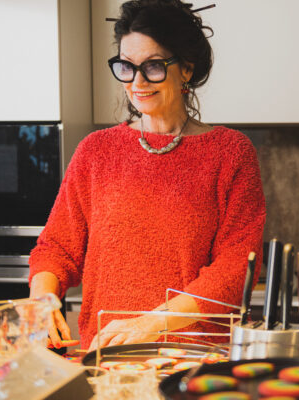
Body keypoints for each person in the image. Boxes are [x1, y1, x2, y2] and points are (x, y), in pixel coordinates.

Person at [29, 0, 265, 350]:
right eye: (126, 66)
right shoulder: (96, 151)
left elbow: (235, 269)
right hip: (106, 356)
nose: (136, 82)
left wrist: (152, 323)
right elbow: (57, 248)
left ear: (186, 68)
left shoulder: (230, 153)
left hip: (192, 358)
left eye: (153, 66)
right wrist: (42, 299)